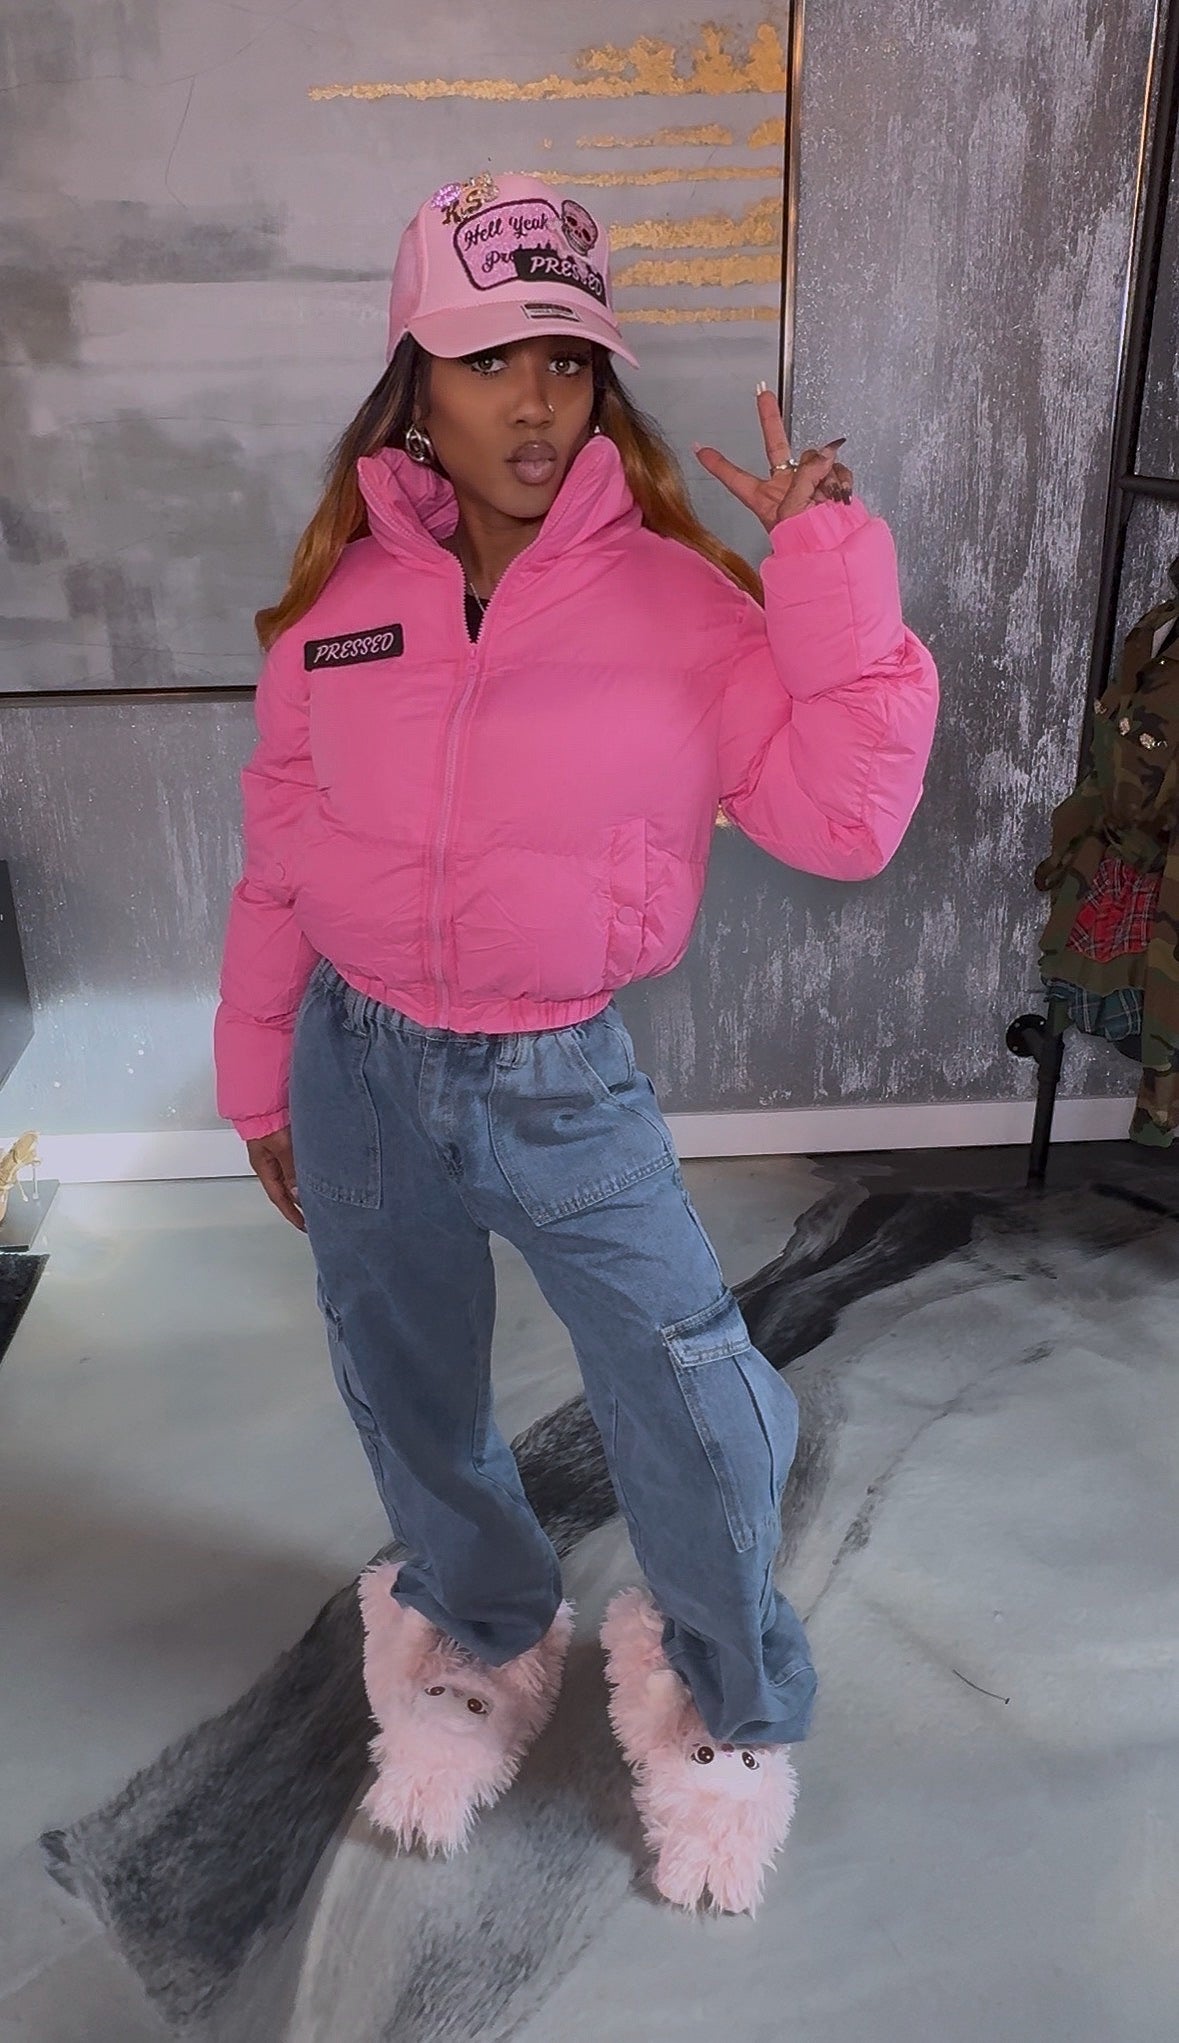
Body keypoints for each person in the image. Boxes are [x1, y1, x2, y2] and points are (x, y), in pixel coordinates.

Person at [214, 171, 939, 1915]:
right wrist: (258, 1072)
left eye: (565, 360)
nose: (534, 402)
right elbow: (282, 853)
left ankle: (719, 1687)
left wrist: (826, 573)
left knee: (691, 1398)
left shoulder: (686, 609)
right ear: (416, 384)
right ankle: (479, 1625)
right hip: (356, 1061)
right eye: (489, 362)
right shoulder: (344, 610)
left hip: (554, 1076)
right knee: (403, 1378)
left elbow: (847, 820)